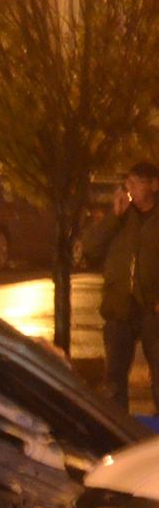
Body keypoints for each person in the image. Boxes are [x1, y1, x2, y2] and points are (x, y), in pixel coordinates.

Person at [82, 161, 159, 408]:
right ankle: (119, 436)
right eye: (128, 183)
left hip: (152, 309)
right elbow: (91, 247)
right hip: (119, 308)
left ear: (154, 185)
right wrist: (113, 217)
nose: (130, 188)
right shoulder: (121, 216)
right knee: (114, 380)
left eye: (136, 183)